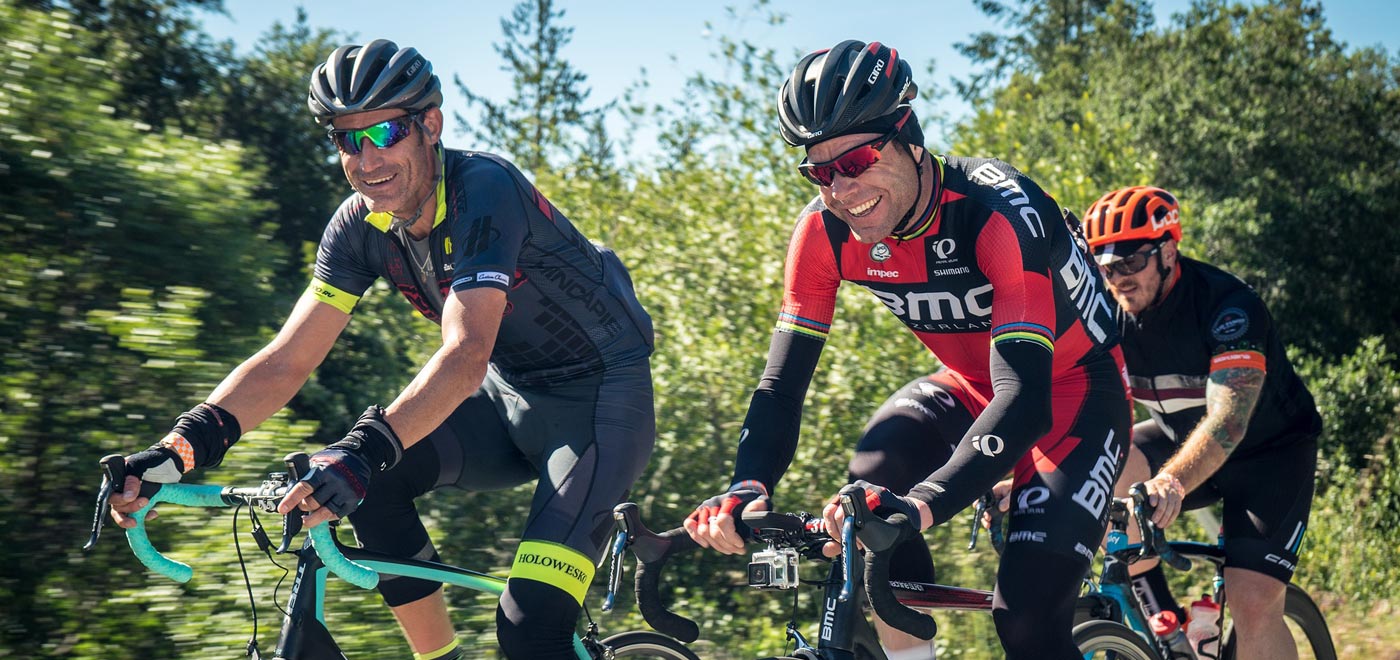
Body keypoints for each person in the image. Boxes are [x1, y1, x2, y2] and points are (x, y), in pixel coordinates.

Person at [106, 39, 656, 660]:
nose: (368, 160)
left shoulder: (484, 190)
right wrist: (177, 453)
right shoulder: (357, 227)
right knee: (372, 485)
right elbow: (288, 359)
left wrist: (359, 452)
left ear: (431, 126)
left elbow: (466, 351)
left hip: (600, 407)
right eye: (347, 140)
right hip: (507, 401)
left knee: (529, 626)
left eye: (386, 132)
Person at [684, 40, 1131, 660]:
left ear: (909, 139)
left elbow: (1027, 400)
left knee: (1026, 619)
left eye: (859, 159)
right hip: (970, 384)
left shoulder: (996, 212)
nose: (841, 188)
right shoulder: (823, 234)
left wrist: (921, 507)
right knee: (869, 482)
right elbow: (780, 387)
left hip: (1074, 391)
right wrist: (745, 485)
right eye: (819, 171)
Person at [1083, 186, 1322, 660]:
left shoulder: (1227, 305)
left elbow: (1229, 418)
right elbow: (1073, 407)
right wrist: (1024, 478)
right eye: (1107, 267)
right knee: (1110, 462)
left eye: (1131, 262)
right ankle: (1165, 629)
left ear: (1168, 249)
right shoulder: (1108, 310)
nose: (1119, 279)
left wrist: (1171, 481)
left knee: (1254, 602)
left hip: (1269, 457)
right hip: (1177, 440)